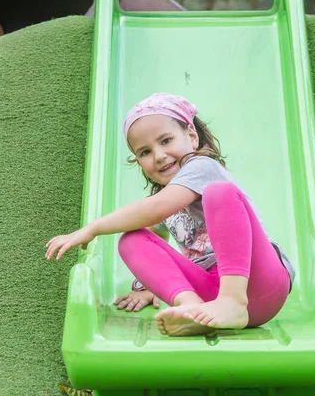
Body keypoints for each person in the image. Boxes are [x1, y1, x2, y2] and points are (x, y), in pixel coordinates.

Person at [46, 93, 295, 336]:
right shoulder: (167, 198)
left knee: (219, 193)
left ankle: (233, 301)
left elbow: (157, 207)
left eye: (166, 141)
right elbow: (153, 243)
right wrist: (150, 287)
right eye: (145, 152)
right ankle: (191, 307)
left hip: (260, 280)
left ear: (191, 136)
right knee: (132, 239)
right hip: (211, 298)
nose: (159, 156)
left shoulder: (203, 167)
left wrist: (92, 228)